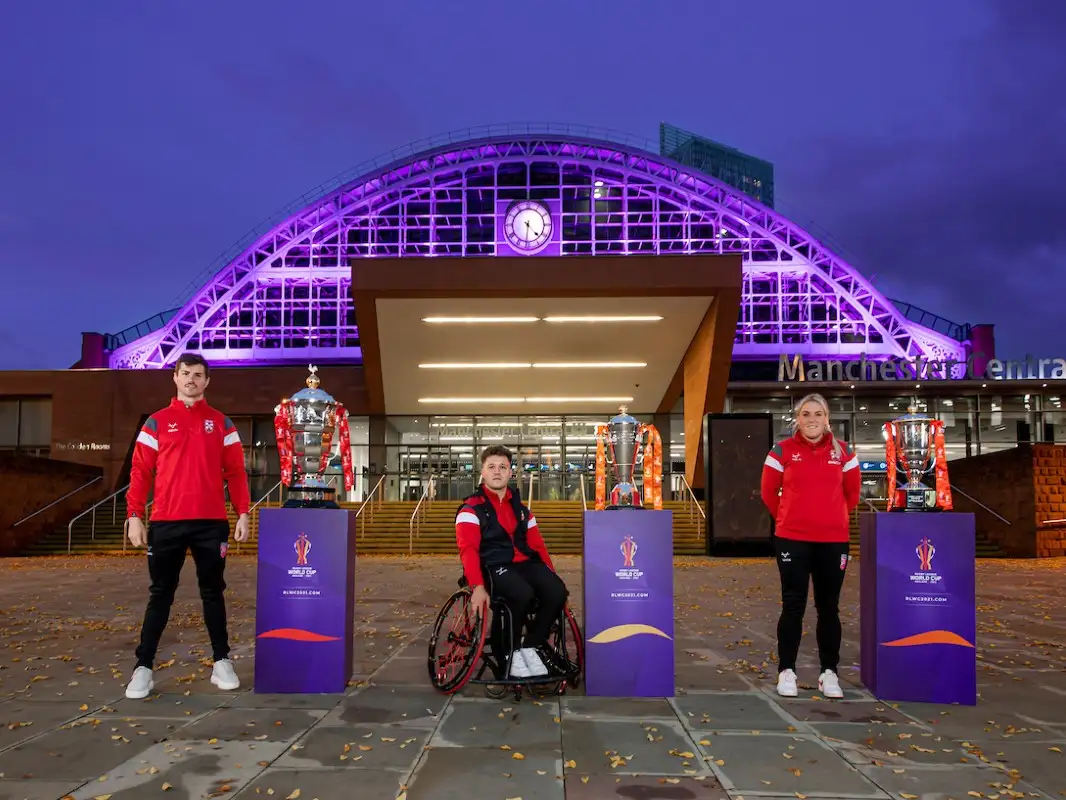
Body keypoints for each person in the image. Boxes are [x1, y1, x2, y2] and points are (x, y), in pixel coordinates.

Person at [123, 353, 251, 699]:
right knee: (160, 594)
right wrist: (134, 514)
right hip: (166, 521)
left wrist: (243, 512)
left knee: (213, 592)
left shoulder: (222, 424)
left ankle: (221, 661)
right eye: (185, 374)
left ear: (207, 381)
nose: (191, 380)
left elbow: (236, 472)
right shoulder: (157, 423)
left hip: (211, 523)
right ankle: (143, 668)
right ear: (175, 378)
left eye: (198, 375)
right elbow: (140, 472)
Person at [760, 392, 860, 699]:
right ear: (797, 419)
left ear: (827, 418)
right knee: (793, 605)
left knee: (828, 607)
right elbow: (768, 493)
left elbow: (852, 495)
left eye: (818, 413)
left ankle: (829, 673)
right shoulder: (782, 451)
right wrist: (789, 521)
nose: (812, 419)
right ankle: (786, 671)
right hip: (792, 539)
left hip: (833, 541)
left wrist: (832, 520)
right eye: (806, 414)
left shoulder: (844, 452)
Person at [455, 445, 569, 679]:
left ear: (510, 473)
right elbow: (468, 550)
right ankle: (507, 652)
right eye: (492, 467)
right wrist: (477, 586)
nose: (497, 472)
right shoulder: (471, 509)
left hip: (523, 563)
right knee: (521, 593)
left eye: (503, 467)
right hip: (492, 565)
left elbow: (538, 547)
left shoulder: (523, 511)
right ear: (483, 472)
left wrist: (551, 576)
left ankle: (531, 646)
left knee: (557, 591)